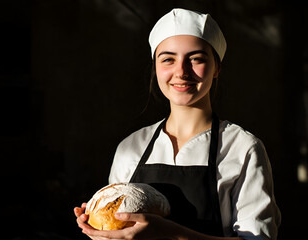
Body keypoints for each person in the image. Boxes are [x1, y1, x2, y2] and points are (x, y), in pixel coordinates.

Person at [74, 8, 281, 240]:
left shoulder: (243, 148)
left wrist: (167, 232)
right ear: (156, 67)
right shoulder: (131, 147)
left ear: (217, 68)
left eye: (196, 59)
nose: (181, 72)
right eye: (168, 59)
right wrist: (100, 231)